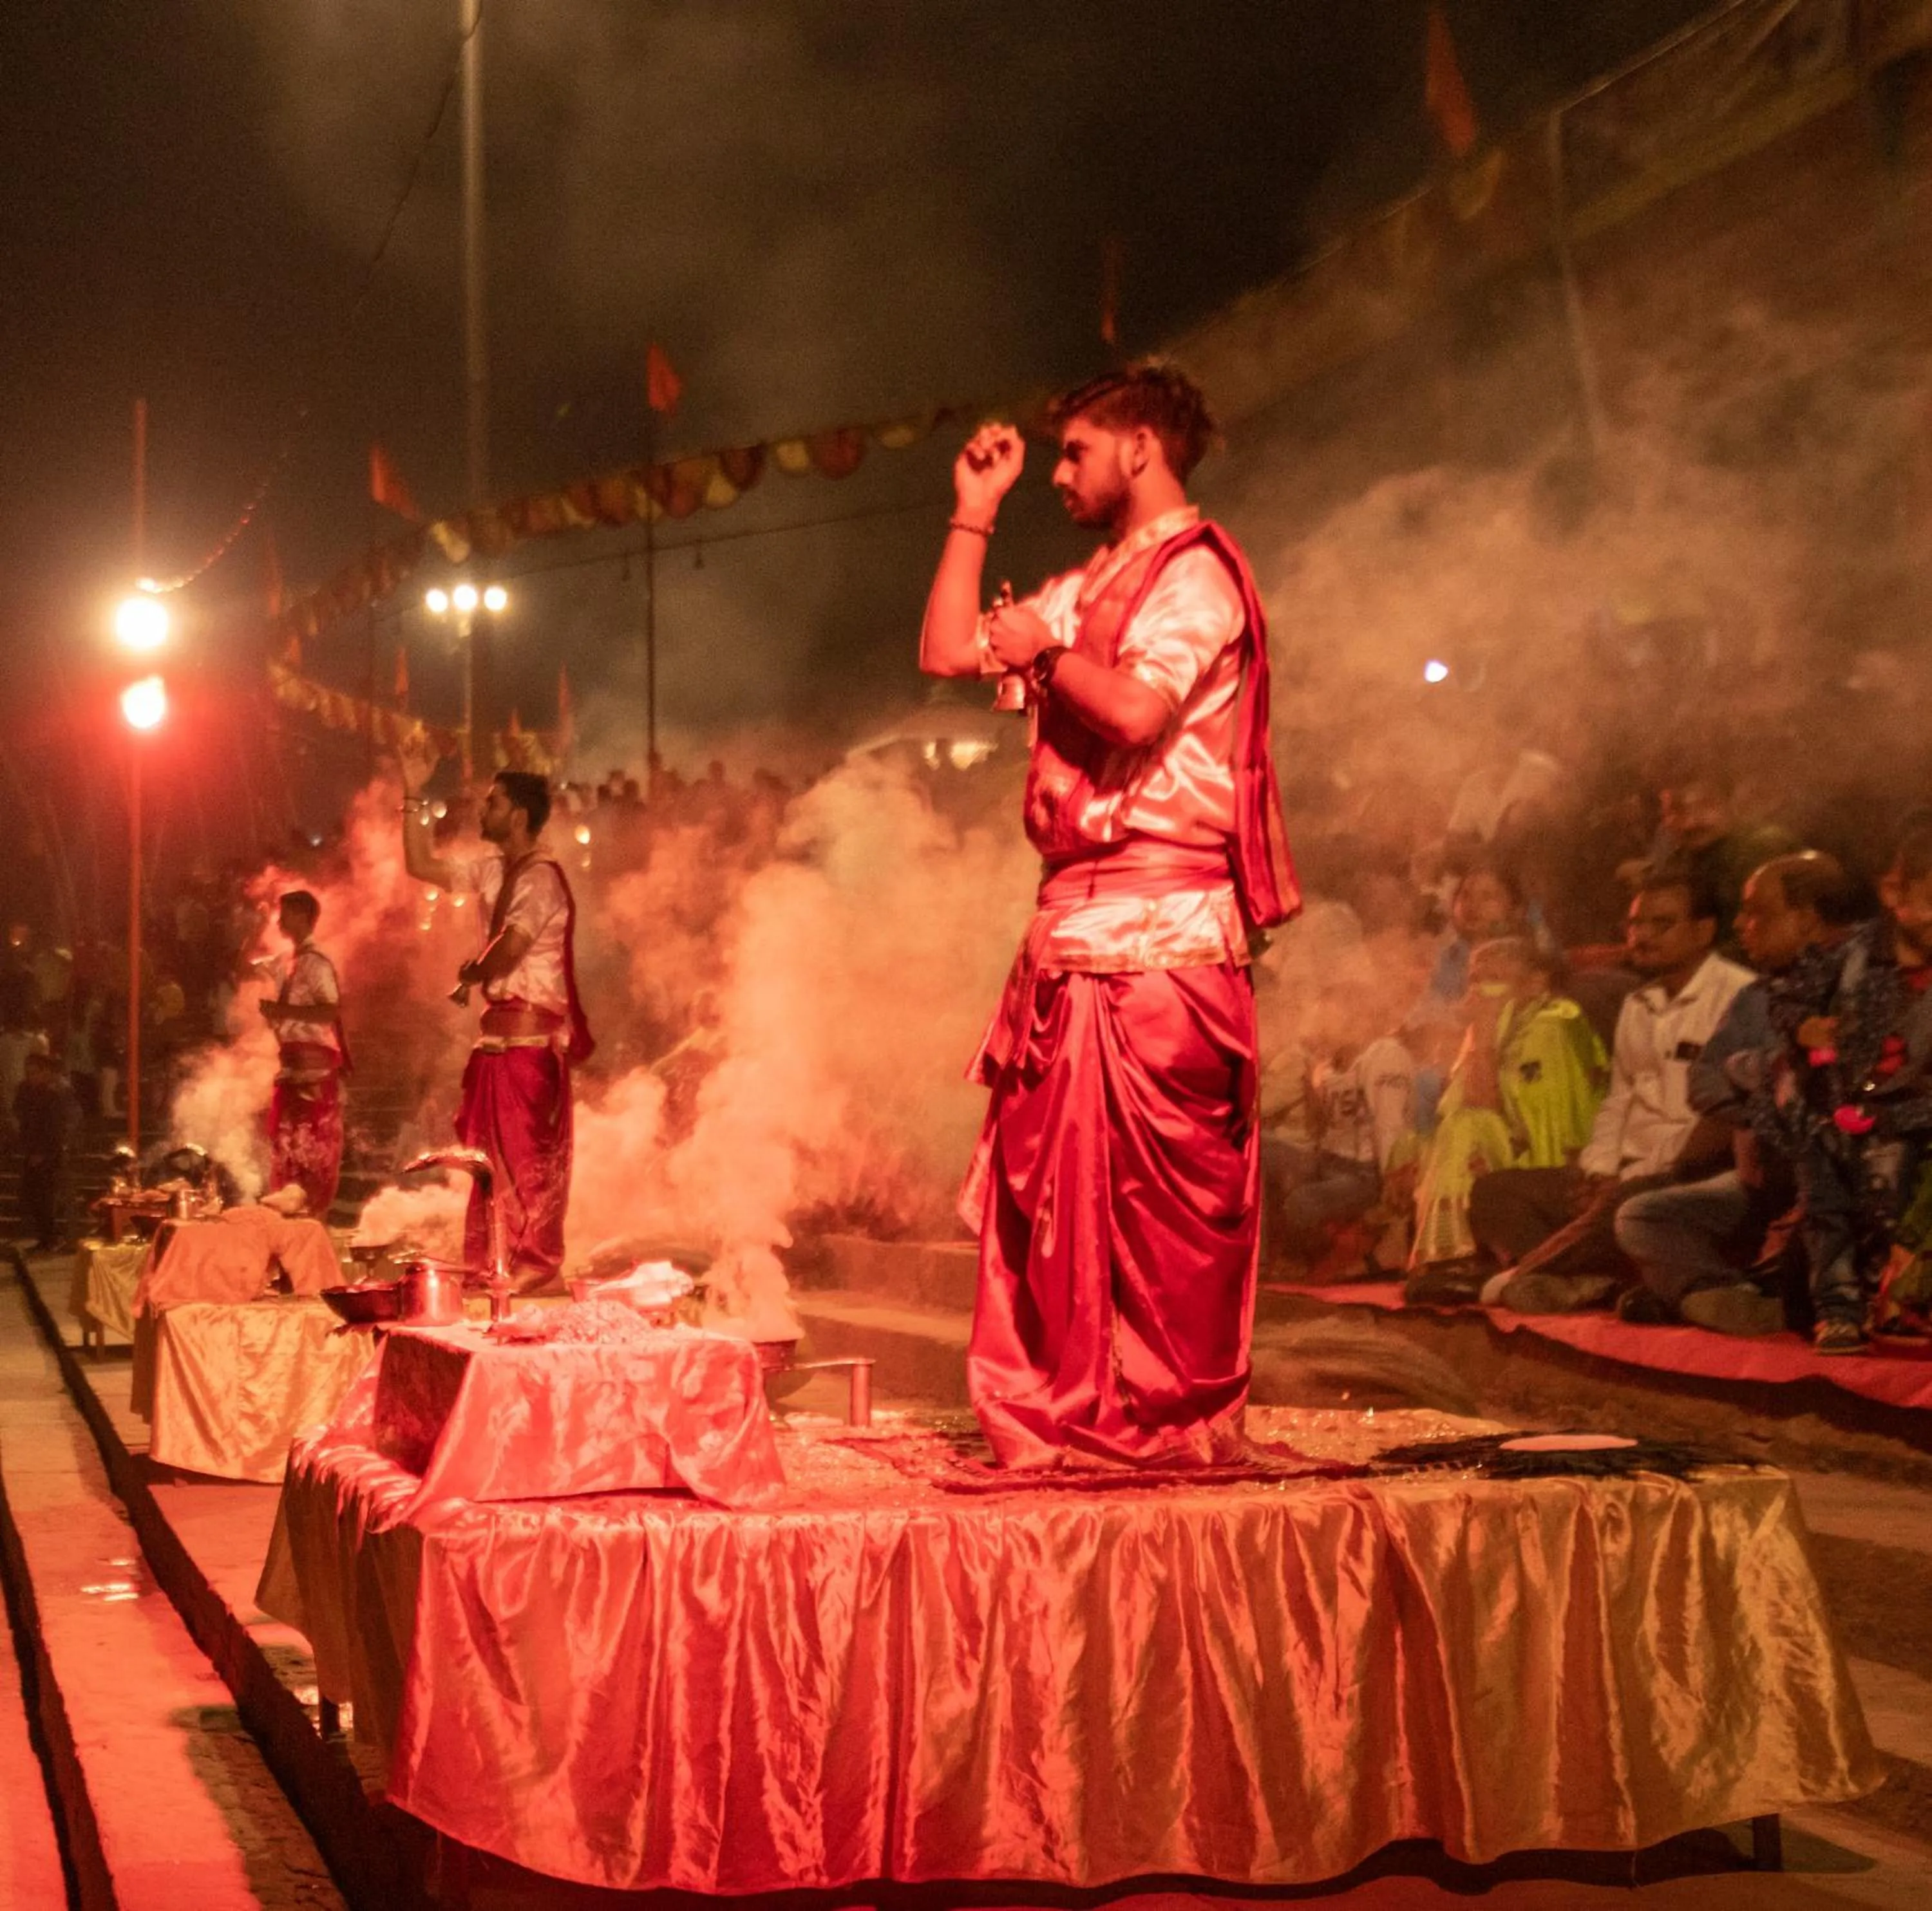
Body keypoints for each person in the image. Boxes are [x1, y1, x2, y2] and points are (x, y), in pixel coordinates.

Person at [919, 361, 1298, 1467]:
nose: (1063, 473)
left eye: (1078, 451)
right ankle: (1064, 1414)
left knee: (1156, 1225)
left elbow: (1135, 709)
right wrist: (972, 513)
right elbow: (948, 650)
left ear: (1141, 444)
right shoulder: (1090, 585)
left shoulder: (1196, 578)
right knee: (1054, 1224)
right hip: (1071, 942)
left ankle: (1150, 1425)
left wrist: (1046, 651)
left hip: (1163, 948)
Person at [1471, 868, 1755, 1312]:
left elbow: (1723, 1121)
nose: (1642, 936)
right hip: (1623, 1174)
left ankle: (1532, 1274)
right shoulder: (1637, 1004)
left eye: (1661, 924)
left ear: (1704, 930)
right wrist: (1598, 1169)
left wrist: (1629, 1180)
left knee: (1628, 1205)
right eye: (1635, 924)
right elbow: (1619, 1098)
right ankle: (1591, 1280)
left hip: (1686, 1172)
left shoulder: (1740, 997)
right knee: (1496, 1192)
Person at [1615, 852, 1855, 1332]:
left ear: (1806, 919)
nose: (1743, 925)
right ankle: (1728, 1295)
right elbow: (1703, 1085)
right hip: (1762, 1182)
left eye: (1757, 913)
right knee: (1641, 1216)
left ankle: (1694, 1297)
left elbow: (1844, 1088)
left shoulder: (1863, 990)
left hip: (1839, 1186)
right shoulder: (1756, 999)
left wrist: (1753, 1075)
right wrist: (1780, 1076)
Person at [402, 763, 594, 1291]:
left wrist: (473, 972)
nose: (483, 810)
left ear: (520, 815)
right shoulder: (491, 869)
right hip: (496, 1046)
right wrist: (411, 796)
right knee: (489, 1164)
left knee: (528, 1158)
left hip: (530, 1047)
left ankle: (536, 1262)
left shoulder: (541, 879)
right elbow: (420, 864)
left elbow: (511, 948)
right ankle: (497, 1258)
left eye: (494, 803)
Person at [1770, 819, 1932, 1353]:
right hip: (1827, 1113)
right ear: (1894, 892)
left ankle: (1887, 1299)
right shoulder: (1850, 955)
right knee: (1827, 1213)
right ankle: (1838, 1311)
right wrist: (1802, 1027)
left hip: (1905, 1121)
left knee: (1886, 1209)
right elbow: (1789, 996)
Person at [1405, 938, 1607, 1300]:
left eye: (1494, 978)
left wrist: (1482, 1034)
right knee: (1449, 1129)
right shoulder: (1500, 1024)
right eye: (1474, 979)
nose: (1479, 991)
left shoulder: (1554, 1023)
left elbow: (1508, 1115)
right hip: (1515, 1162)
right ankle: (1458, 1258)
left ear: (1535, 983)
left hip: (1567, 1172)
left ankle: (1459, 1260)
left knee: (1468, 1126)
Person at [256, 889, 348, 1218]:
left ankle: (310, 1220)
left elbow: (329, 1011)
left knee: (312, 1152)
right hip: (292, 1070)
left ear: (306, 918)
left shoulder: (316, 963)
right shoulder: (289, 962)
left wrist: (282, 1011)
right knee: (288, 1150)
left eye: (288, 913)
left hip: (314, 1072)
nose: (280, 920)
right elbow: (243, 967)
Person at [13, 1050, 80, 1252]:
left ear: (45, 1072)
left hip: (50, 1153)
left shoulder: (54, 1094)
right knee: (31, 1196)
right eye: (29, 1073)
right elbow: (21, 1114)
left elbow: (57, 1126)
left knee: (46, 1197)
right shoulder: (26, 1092)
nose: (31, 1077)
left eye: (35, 1073)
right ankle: (45, 1237)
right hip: (31, 1149)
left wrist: (43, 1153)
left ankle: (53, 1237)